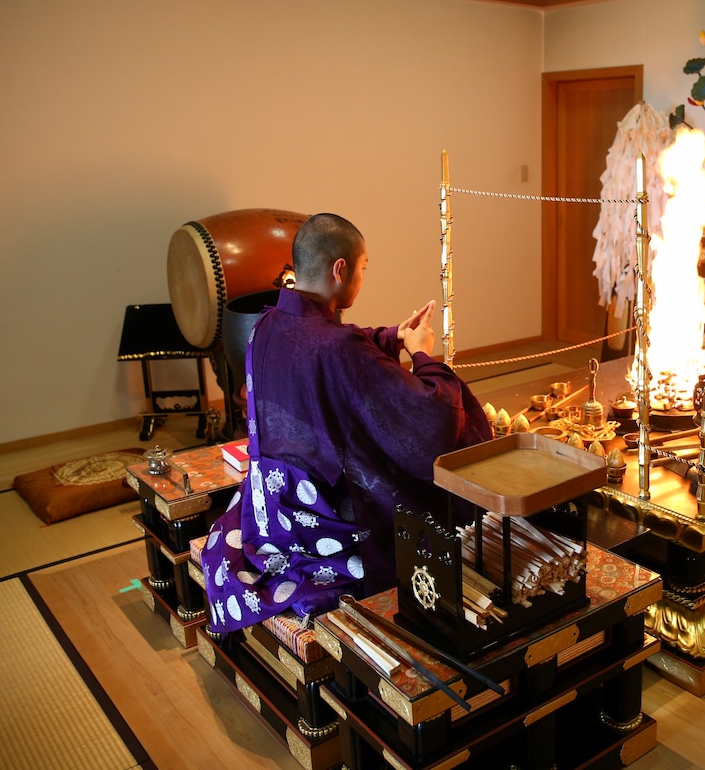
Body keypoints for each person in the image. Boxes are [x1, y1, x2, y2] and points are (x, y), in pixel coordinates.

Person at [200, 213, 492, 633]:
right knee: (428, 483)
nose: (362, 277)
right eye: (364, 268)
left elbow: (343, 347)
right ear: (340, 269)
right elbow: (429, 416)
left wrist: (394, 336)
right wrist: (425, 356)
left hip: (271, 508)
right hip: (323, 516)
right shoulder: (338, 347)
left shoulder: (266, 324)